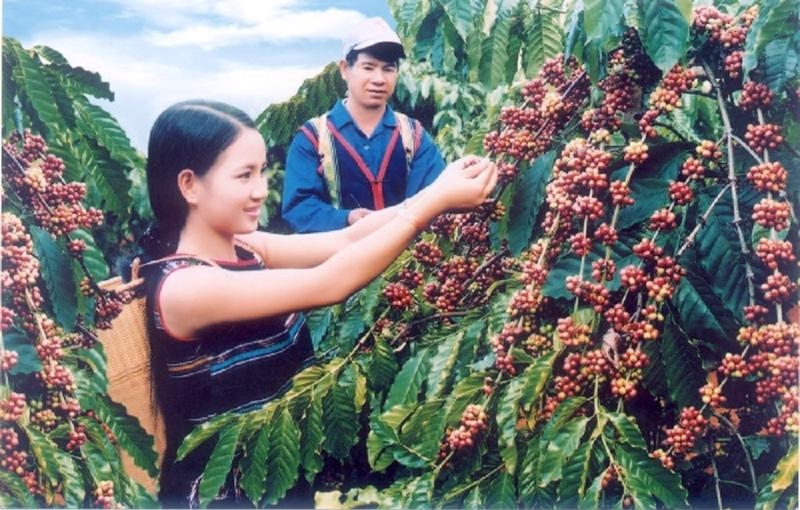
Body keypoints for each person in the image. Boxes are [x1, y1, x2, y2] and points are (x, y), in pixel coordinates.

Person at [133, 99, 497, 506]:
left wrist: (434, 191)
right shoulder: (186, 286)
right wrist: (434, 204)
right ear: (189, 185)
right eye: (244, 175)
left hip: (276, 484)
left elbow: (345, 240)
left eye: (262, 171)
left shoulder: (246, 248)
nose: (260, 189)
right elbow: (329, 282)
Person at [281, 17, 446, 233]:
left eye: (388, 69)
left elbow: (436, 196)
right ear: (344, 69)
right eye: (368, 67)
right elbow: (298, 208)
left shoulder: (413, 135)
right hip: (337, 262)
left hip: (406, 260)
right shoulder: (313, 138)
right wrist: (346, 218)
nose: (379, 79)